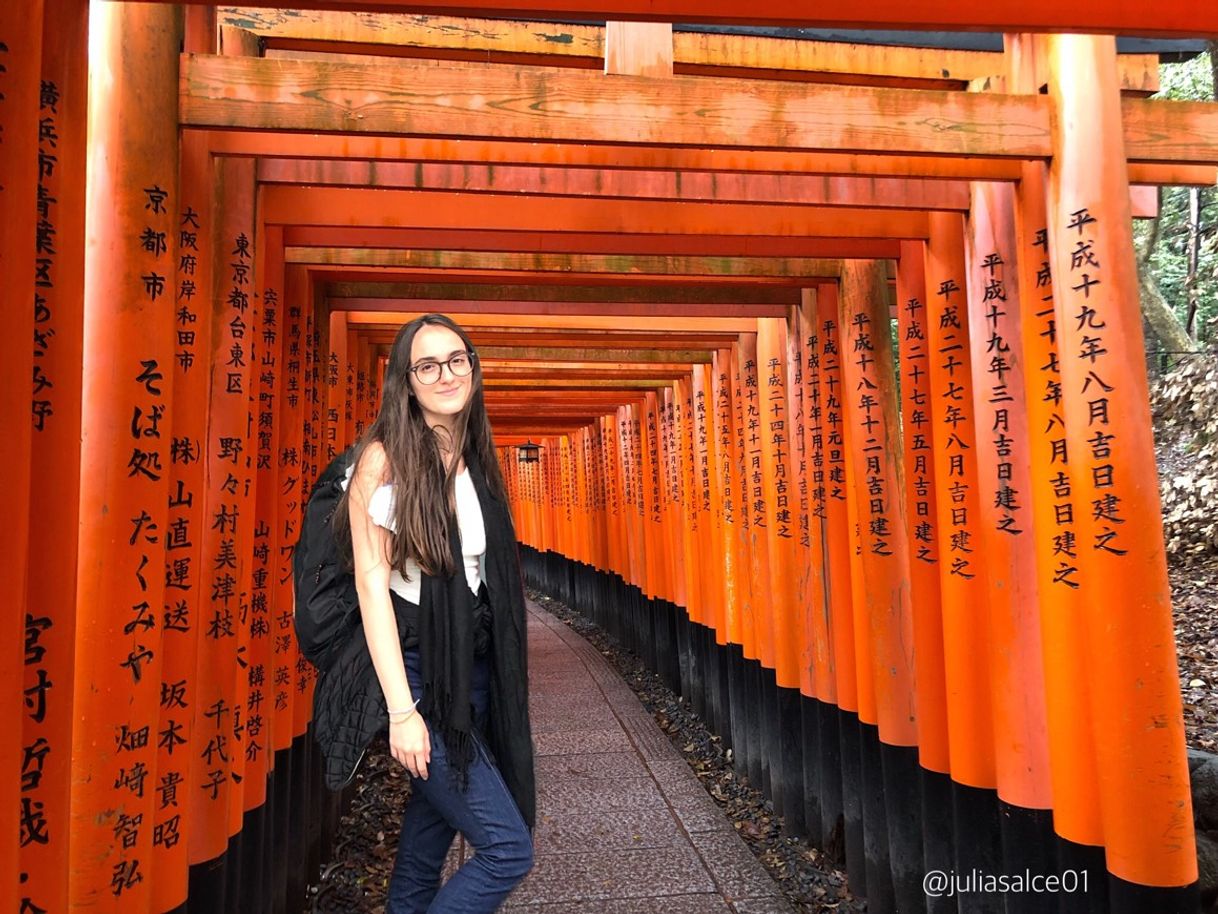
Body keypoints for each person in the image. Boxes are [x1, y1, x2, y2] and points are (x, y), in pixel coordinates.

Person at [331, 313, 536, 913]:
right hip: (423, 679)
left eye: (456, 360)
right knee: (507, 849)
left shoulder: (474, 456)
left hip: (471, 675)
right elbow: (373, 590)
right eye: (427, 365)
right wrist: (402, 712)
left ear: (472, 368)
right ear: (406, 380)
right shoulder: (384, 461)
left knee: (425, 844)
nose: (445, 374)